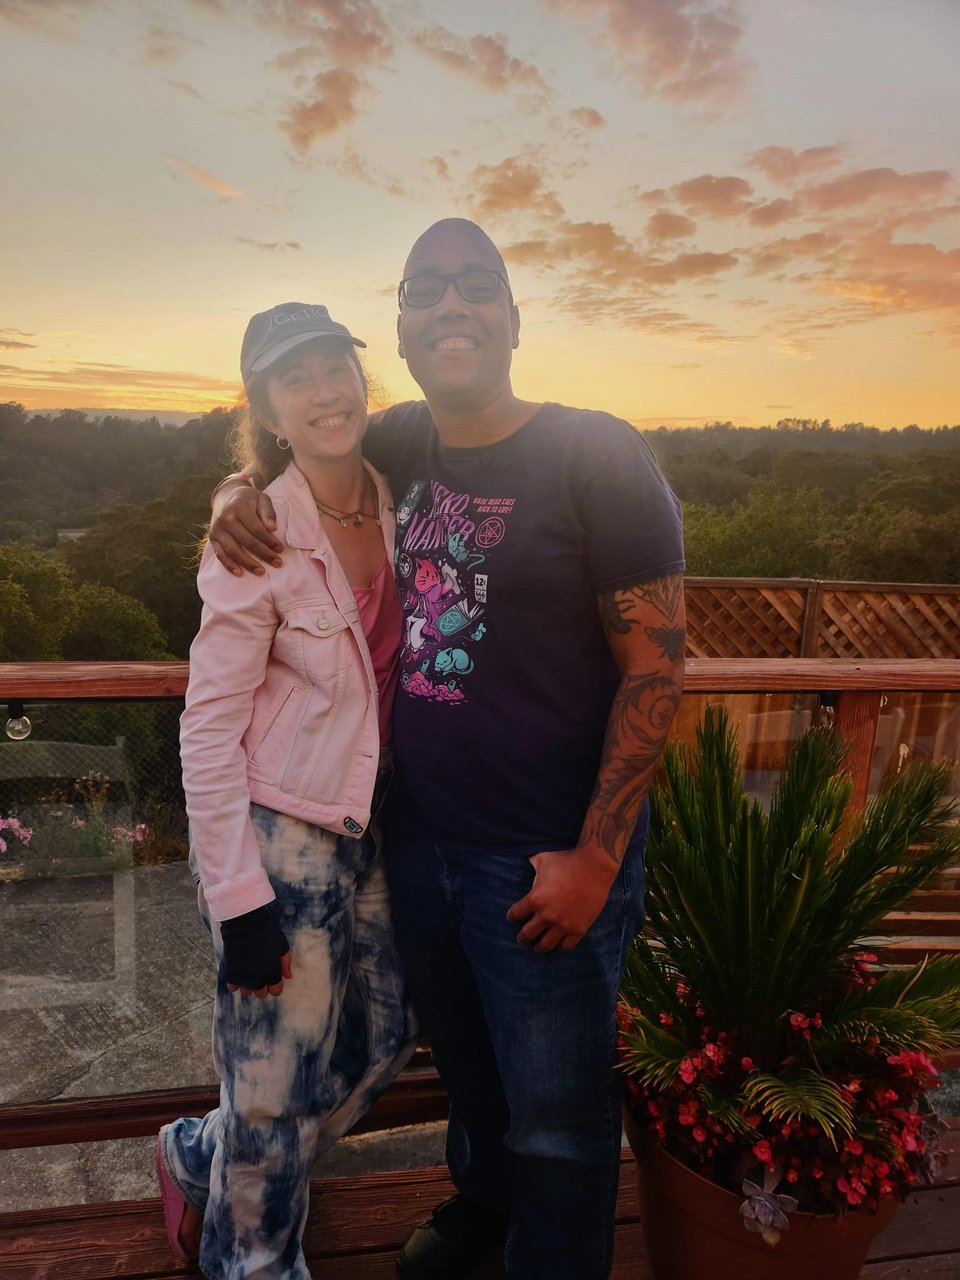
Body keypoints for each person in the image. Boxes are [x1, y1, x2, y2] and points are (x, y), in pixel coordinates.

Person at [209, 220, 686, 1280]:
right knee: (469, 1072)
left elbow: (656, 669)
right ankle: (482, 1207)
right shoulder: (402, 441)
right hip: (417, 848)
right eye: (427, 289)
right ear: (404, 327)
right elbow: (295, 463)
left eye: (478, 286)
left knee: (561, 1117)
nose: (452, 305)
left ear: (514, 317)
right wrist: (234, 499)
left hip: (547, 857)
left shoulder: (595, 453)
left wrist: (598, 859)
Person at [156, 302, 413, 1279]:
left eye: (332, 366)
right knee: (273, 1085)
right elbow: (208, 725)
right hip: (277, 835)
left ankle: (205, 1155)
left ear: (360, 376)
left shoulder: (396, 497)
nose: (322, 391)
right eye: (292, 378)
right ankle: (254, 1257)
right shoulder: (256, 534)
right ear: (267, 408)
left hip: (369, 825)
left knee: (386, 1035)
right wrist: (238, 899)